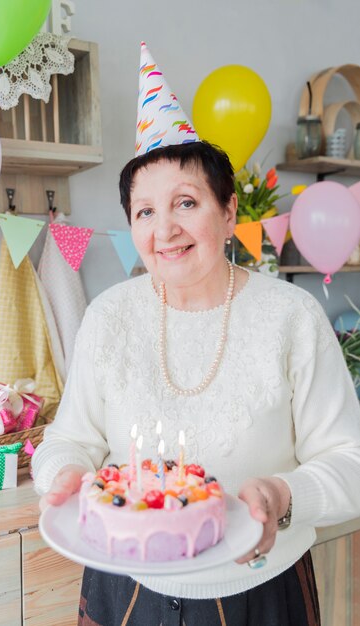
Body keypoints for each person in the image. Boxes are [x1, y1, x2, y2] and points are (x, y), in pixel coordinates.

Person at [32, 139, 360, 626]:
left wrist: (282, 495)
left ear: (229, 212)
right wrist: (63, 474)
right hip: (124, 589)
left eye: (186, 202)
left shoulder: (292, 316)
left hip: (261, 590)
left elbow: (350, 461)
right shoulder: (108, 316)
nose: (164, 229)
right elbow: (70, 439)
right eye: (144, 211)